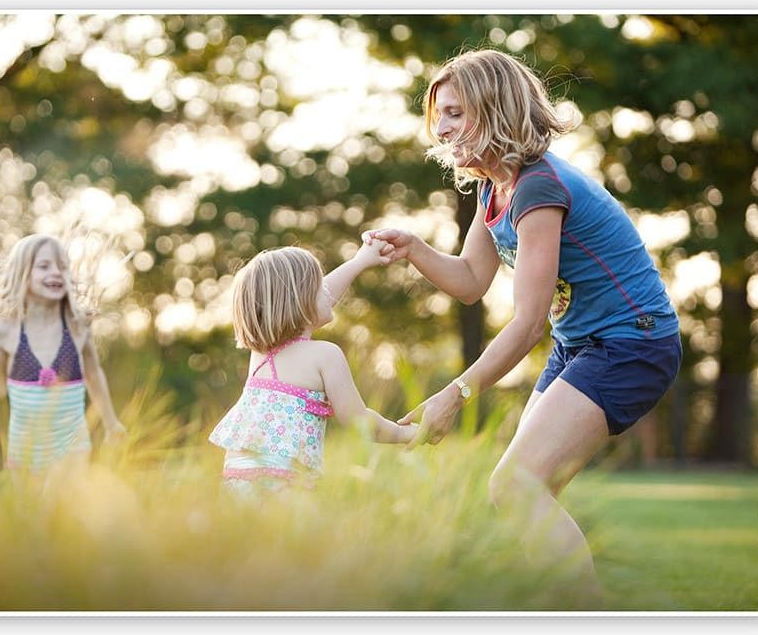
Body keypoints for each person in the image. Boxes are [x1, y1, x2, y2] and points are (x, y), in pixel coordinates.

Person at [365, 49, 682, 598]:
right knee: (524, 490)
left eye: (456, 114)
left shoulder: (538, 188)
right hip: (581, 345)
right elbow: (469, 281)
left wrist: (454, 394)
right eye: (438, 116)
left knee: (516, 485)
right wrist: (415, 248)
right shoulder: (495, 188)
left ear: (497, 109)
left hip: (633, 342)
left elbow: (529, 322)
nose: (441, 130)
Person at [208, 241, 417, 499]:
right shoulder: (325, 355)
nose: (328, 291)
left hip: (237, 485)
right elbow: (358, 421)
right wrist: (407, 433)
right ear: (301, 300)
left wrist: (359, 262)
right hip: (284, 488)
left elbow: (316, 298)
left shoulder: (260, 355)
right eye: (319, 287)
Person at [0, 233, 127, 478]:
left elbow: (93, 373)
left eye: (62, 267)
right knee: (31, 516)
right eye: (44, 266)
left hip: (72, 446)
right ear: (22, 274)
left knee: (54, 507)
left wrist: (111, 422)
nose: (56, 272)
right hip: (24, 452)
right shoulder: (4, 330)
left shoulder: (77, 325)